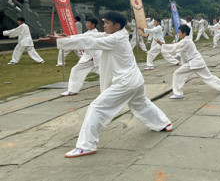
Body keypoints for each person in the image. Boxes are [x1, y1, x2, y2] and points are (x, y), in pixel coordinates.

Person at [53, 11, 172, 158]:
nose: (104, 25)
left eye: (107, 23)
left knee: (97, 108)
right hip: (135, 80)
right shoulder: (118, 35)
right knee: (142, 104)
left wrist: (62, 42)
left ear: (117, 25)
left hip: (126, 83)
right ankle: (164, 123)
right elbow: (94, 36)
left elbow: (91, 42)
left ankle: (86, 145)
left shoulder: (115, 39)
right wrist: (69, 37)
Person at [157, 25, 220, 99]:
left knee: (177, 74)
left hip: (194, 62)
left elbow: (175, 47)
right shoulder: (186, 40)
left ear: (184, 33)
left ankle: (178, 94)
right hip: (198, 62)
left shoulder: (186, 41)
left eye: (179, 32)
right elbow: (180, 52)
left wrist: (162, 44)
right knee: (209, 77)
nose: (178, 34)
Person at [60, 18, 102, 96]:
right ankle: (72, 90)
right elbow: (81, 36)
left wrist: (69, 37)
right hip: (89, 57)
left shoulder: (93, 33)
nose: (86, 24)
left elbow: (81, 37)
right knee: (76, 70)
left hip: (94, 58)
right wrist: (69, 37)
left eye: (88, 23)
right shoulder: (89, 32)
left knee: (107, 73)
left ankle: (120, 87)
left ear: (93, 25)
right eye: (86, 22)